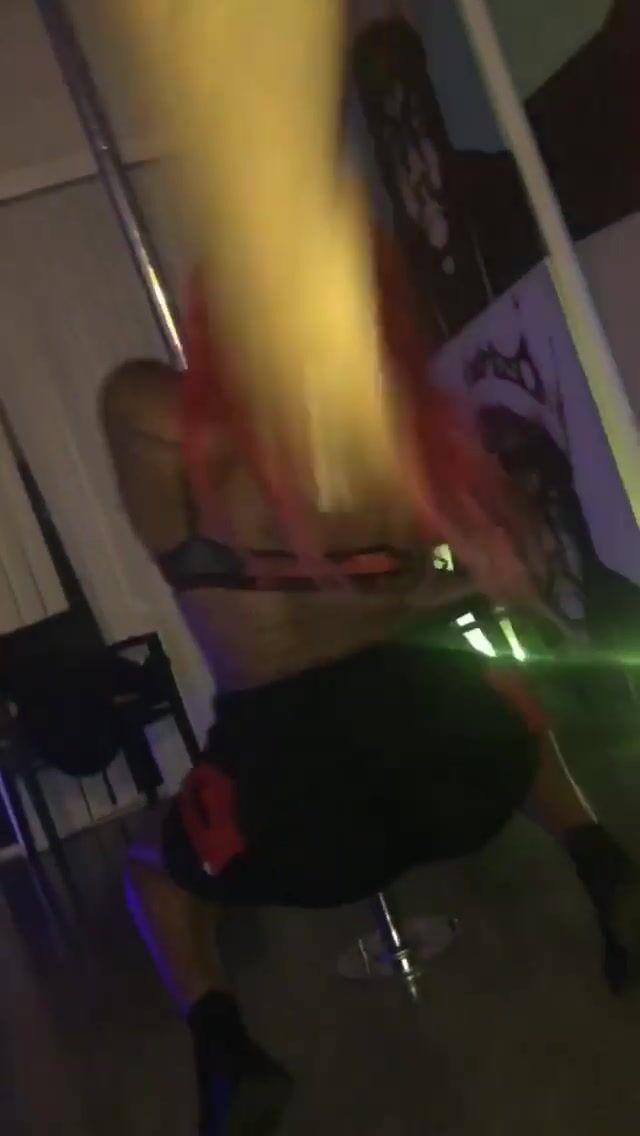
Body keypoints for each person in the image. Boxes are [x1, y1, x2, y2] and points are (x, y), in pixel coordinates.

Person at [101, 227, 639, 1136]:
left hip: (296, 807)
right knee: (507, 715)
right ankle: (604, 868)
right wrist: (457, 575)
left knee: (150, 874)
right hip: (456, 774)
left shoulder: (166, 422)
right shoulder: (385, 438)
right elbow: (452, 572)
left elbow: (157, 409)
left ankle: (228, 1054)